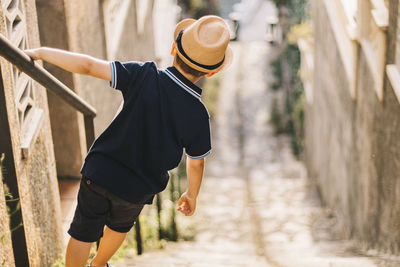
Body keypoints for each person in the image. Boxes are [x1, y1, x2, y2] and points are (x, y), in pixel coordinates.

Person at [25, 15, 232, 267]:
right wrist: (191, 194)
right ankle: (99, 264)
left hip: (101, 172)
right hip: (137, 188)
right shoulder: (198, 115)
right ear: (212, 71)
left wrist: (42, 52)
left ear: (173, 49)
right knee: (119, 228)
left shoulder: (143, 75)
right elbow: (196, 162)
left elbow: (89, 66)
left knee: (82, 232)